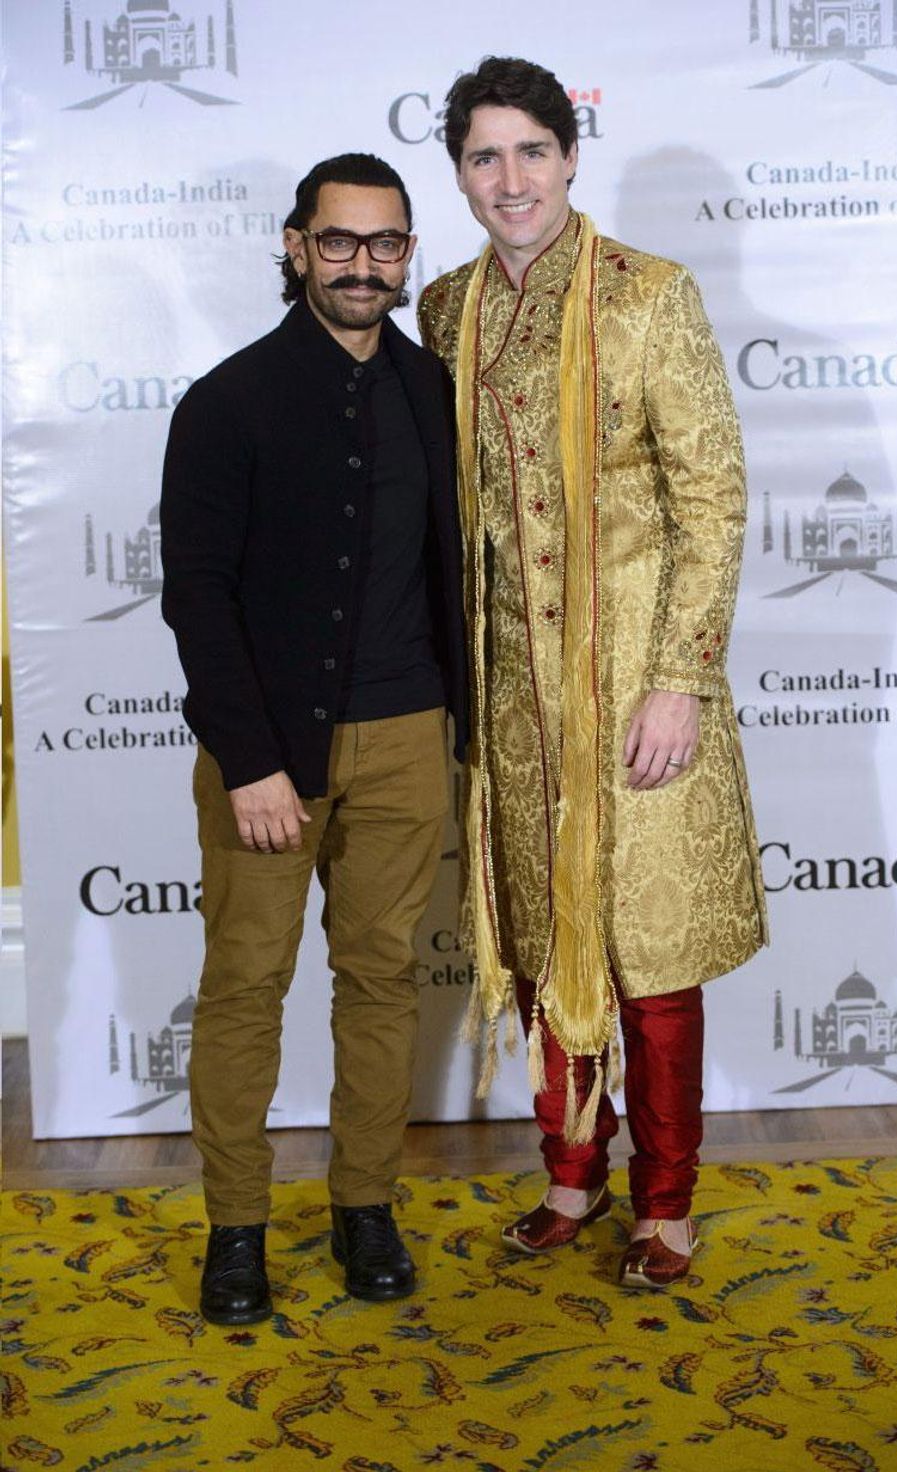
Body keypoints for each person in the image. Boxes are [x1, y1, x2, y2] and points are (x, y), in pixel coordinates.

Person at [418, 58, 767, 1288]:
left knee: (645, 956)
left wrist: (678, 678)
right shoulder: (447, 308)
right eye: (481, 157)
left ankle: (664, 1205)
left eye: (529, 151)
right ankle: (571, 1176)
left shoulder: (645, 296)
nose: (508, 180)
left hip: (633, 682)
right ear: (455, 170)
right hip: (512, 696)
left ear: (571, 155)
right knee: (536, 940)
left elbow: (711, 499)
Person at [161, 153, 467, 1323]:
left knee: (382, 979)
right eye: (337, 242)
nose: (361, 265)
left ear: (405, 255)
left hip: (404, 736)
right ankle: (236, 1227)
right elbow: (198, 593)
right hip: (269, 756)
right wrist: (249, 760)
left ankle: (364, 1205)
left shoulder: (430, 390)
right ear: (294, 246)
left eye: (384, 244)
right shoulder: (227, 400)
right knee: (245, 983)